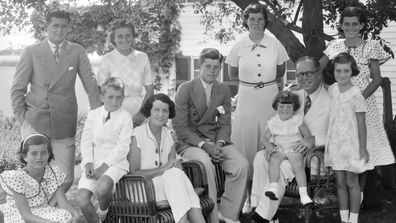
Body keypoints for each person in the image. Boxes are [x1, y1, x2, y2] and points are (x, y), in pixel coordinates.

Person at [10, 10, 102, 192]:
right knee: (34, 178)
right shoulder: (31, 52)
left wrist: (99, 119)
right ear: (47, 27)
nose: (60, 30)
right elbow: (17, 90)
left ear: (68, 28)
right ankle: (42, 217)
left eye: (64, 26)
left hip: (64, 124)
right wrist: (24, 121)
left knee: (66, 178)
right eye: (55, 26)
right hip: (35, 122)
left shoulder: (77, 51)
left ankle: (50, 212)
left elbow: (91, 85)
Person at [319, 6, 395, 200]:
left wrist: (359, 98)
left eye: (355, 24)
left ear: (361, 25)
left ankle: (358, 195)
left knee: (363, 149)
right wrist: (328, 89)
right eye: (346, 24)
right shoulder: (335, 46)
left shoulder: (371, 46)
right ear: (341, 25)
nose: (350, 27)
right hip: (340, 104)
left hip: (364, 103)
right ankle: (345, 194)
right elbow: (317, 68)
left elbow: (376, 79)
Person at [249, 57, 331, 223]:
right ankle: (266, 211)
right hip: (285, 148)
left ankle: (261, 217)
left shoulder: (331, 99)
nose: (304, 78)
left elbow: (341, 133)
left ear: (318, 73)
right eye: (300, 74)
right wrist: (270, 144)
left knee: (282, 166)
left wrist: (314, 139)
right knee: (260, 157)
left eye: (309, 73)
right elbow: (278, 123)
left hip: (313, 156)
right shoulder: (293, 95)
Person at [225, 3, 289, 211]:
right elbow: (232, 74)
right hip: (246, 98)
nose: (256, 23)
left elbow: (280, 71)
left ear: (265, 21)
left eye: (260, 19)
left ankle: (265, 198)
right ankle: (246, 197)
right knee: (246, 144)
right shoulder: (238, 46)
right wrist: (251, 82)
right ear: (246, 21)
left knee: (269, 141)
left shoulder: (275, 45)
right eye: (251, 19)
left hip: (269, 97)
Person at [173, 48, 249, 223]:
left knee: (242, 165)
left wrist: (219, 145)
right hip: (191, 143)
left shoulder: (223, 90)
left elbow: (224, 123)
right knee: (205, 163)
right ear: (200, 66)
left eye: (216, 67)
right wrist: (204, 145)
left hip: (216, 141)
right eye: (208, 66)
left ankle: (228, 215)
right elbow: (180, 127)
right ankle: (213, 217)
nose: (212, 71)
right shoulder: (185, 89)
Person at [129, 93, 205, 223]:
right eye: (156, 110)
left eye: (165, 110)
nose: (161, 114)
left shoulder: (168, 135)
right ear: (149, 112)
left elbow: (172, 166)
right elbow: (134, 171)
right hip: (141, 189)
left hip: (168, 187)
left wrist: (177, 165)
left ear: (169, 114)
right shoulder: (138, 135)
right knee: (175, 176)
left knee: (175, 173)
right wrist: (164, 169)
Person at [325, 53, 373, 223]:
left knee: (352, 182)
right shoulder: (332, 89)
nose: (342, 74)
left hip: (352, 145)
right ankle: (343, 219)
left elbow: (361, 123)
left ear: (352, 71)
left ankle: (353, 219)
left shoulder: (356, 94)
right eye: (338, 71)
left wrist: (362, 148)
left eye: (346, 71)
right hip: (336, 144)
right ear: (334, 71)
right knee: (340, 183)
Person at [77, 77, 133, 223]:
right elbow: (86, 141)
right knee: (82, 200)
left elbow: (123, 146)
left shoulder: (126, 117)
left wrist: (105, 166)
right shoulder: (93, 115)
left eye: (118, 97)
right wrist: (88, 162)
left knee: (103, 187)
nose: (114, 101)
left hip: (115, 163)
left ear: (123, 97)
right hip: (94, 162)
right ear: (102, 97)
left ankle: (102, 214)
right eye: (110, 97)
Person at [0, 134, 82, 223]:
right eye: (34, 153)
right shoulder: (17, 178)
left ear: (49, 154)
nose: (39, 157)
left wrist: (75, 214)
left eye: (43, 153)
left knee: (65, 216)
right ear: (24, 156)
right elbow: (26, 215)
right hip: (19, 215)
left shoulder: (52, 173)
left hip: (42, 210)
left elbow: (63, 203)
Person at [97, 19, 154, 126]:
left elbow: (150, 90)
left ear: (133, 37)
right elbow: (100, 91)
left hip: (139, 117)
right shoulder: (107, 59)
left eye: (128, 35)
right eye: (120, 36)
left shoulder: (142, 57)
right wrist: (108, 116)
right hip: (114, 115)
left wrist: (142, 113)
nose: (124, 39)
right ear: (113, 38)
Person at [262, 91, 313, 205]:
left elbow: (308, 135)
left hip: (293, 148)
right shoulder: (274, 122)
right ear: (276, 107)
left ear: (294, 108)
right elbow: (264, 138)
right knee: (274, 160)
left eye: (289, 106)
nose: (285, 109)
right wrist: (269, 146)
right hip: (279, 149)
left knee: (298, 164)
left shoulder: (297, 121)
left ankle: (303, 194)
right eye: (281, 106)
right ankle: (273, 187)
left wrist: (304, 143)